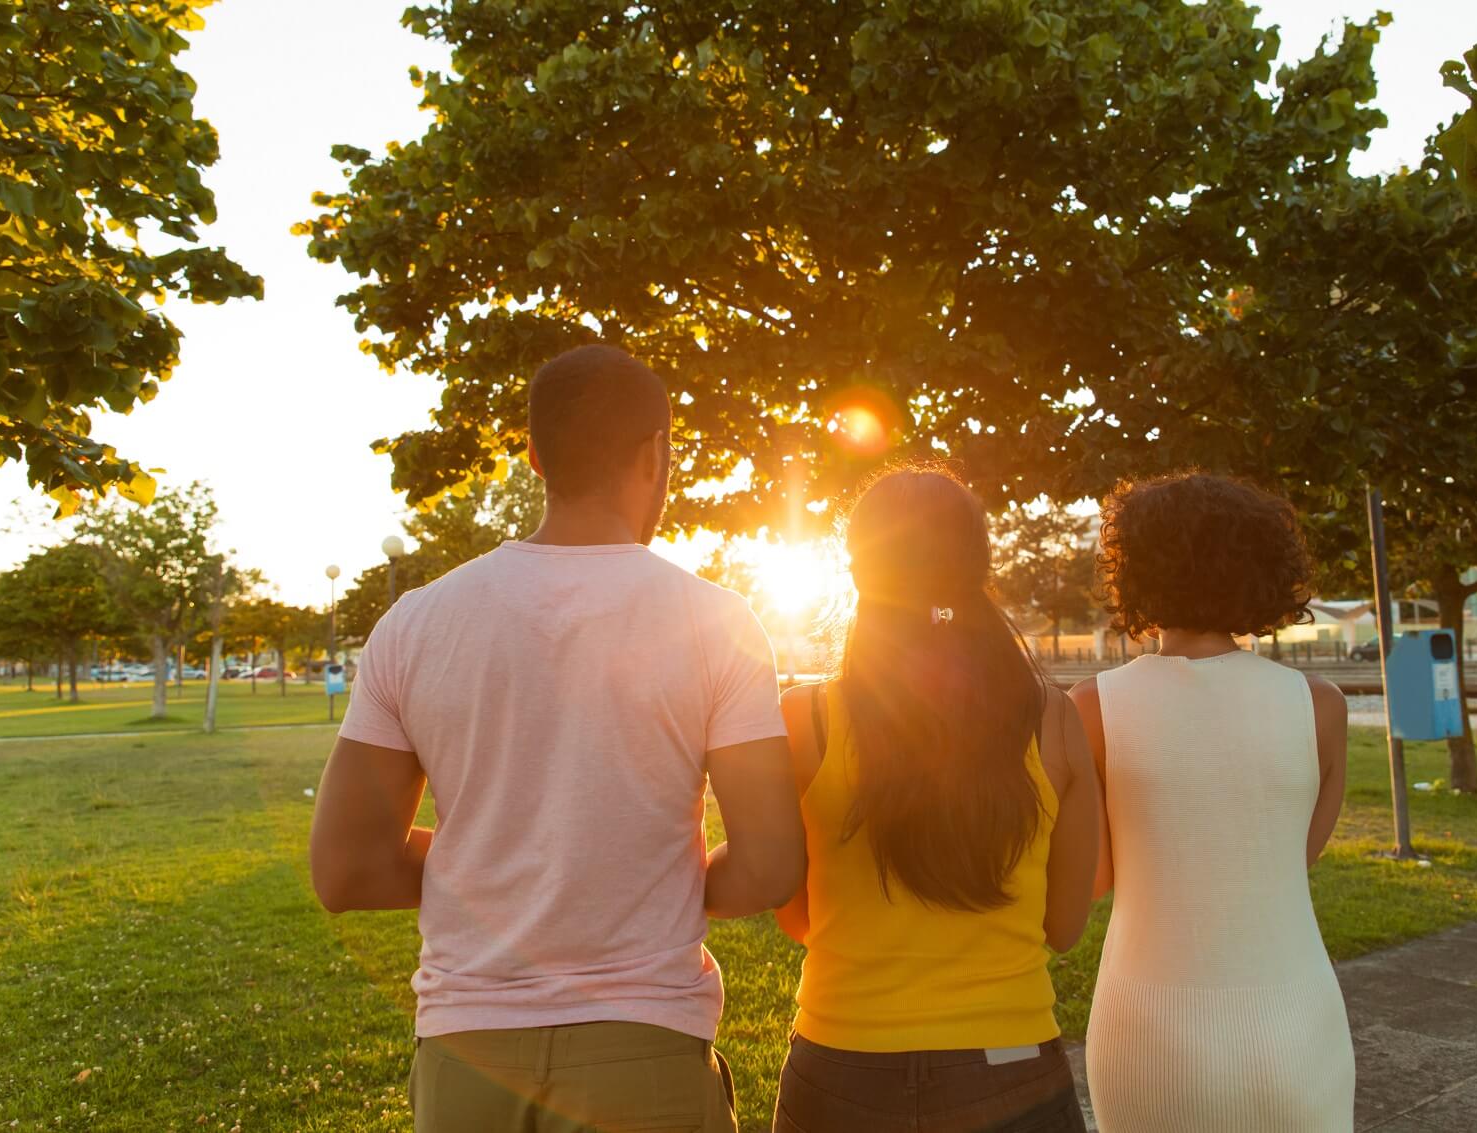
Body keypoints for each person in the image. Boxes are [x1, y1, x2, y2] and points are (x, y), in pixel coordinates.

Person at [308, 344, 806, 1133]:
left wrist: (502, 859)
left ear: (535, 455)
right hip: (645, 1048)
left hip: (465, 1057)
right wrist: (637, 869)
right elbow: (774, 863)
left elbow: (344, 868)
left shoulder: (416, 622)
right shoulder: (718, 621)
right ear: (657, 454)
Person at [771, 467, 1102, 1133]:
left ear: (860, 571)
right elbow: (1064, 927)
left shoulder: (804, 720)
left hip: (841, 1067)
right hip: (1012, 1067)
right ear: (977, 567)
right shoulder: (1055, 719)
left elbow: (797, 917)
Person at [1069, 472, 1354, 1132]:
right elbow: (1290, 859)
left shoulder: (1092, 707)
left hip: (1145, 1024)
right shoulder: (1321, 706)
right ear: (1262, 569)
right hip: (1294, 1018)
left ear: (1133, 570)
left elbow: (1095, 877)